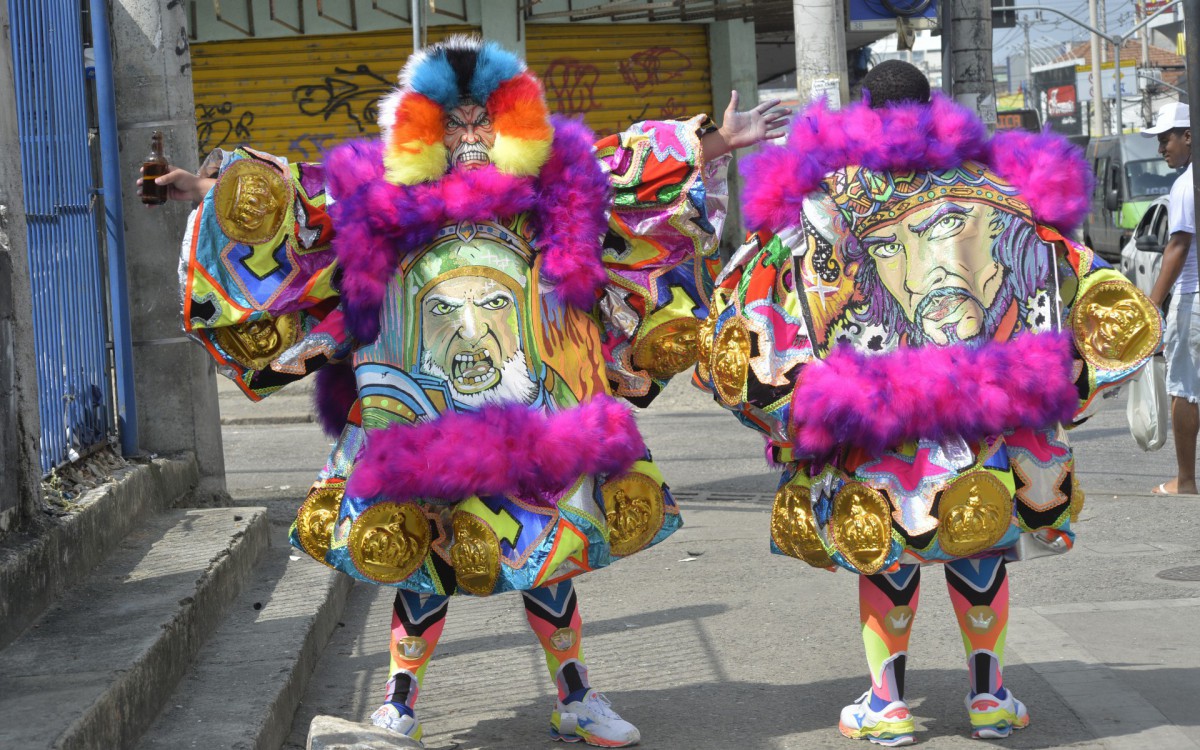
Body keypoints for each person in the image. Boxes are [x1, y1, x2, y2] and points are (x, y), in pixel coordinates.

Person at [151, 36, 786, 748]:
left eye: (484, 118)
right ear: (426, 128)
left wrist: (713, 142)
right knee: (425, 560)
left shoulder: (552, 183)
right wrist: (207, 189)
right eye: (454, 122)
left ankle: (576, 696)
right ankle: (400, 704)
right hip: (425, 409)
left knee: (548, 551)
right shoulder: (382, 194)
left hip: (529, 405)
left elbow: (628, 172)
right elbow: (302, 205)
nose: (471, 135)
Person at [698, 60, 1160, 746]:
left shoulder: (832, 193)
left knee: (889, 549)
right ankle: (991, 697)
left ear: (866, 110)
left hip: (880, 415)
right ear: (932, 107)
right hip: (985, 405)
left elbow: (766, 294)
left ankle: (886, 705)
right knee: (981, 542)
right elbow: (1069, 276)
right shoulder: (998, 183)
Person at [1143, 102, 1197, 495]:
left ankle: (1186, 480)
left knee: (1186, 389)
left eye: (1166, 139)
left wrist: (1150, 305)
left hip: (1193, 300)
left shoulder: (1186, 185)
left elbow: (1177, 246)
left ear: (1188, 136)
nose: (1162, 148)